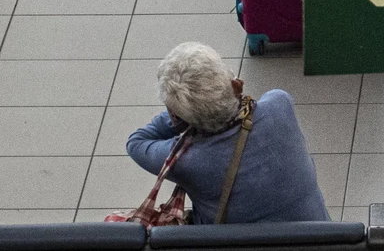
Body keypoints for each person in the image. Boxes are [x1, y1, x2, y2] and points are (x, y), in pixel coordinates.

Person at [127, 43, 329, 225]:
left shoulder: (186, 161)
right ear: (237, 85)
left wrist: (181, 112)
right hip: (322, 242)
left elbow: (136, 142)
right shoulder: (280, 105)